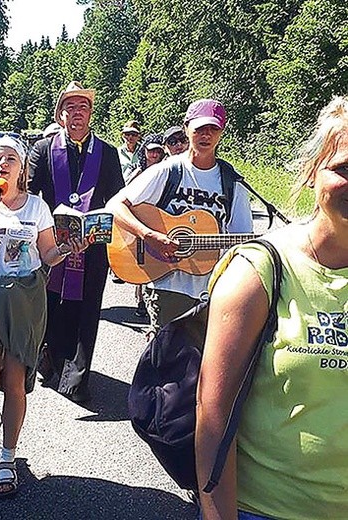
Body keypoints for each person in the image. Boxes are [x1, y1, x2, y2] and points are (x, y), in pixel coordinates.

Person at [196, 96, 348, 519]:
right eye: (345, 169)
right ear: (313, 170)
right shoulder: (260, 271)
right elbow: (213, 417)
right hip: (264, 510)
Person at [0, 134, 86, 498]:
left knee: (14, 383)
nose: (3, 165)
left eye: (11, 159)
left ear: (22, 168)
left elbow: (46, 255)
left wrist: (69, 247)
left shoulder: (37, 207)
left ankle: (8, 459)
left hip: (25, 299)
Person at [108, 99, 253, 331]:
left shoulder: (232, 182)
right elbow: (116, 206)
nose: (206, 135)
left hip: (215, 288)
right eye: (199, 129)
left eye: (213, 129)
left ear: (222, 132)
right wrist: (149, 235)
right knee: (167, 362)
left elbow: (243, 238)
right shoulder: (169, 171)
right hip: (167, 288)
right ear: (187, 129)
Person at [29, 81, 125, 402]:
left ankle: (77, 378)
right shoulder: (43, 151)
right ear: (60, 114)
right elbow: (30, 197)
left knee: (86, 312)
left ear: (90, 113)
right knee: (52, 308)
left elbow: (117, 201)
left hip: (93, 250)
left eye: (83, 107)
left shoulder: (108, 153)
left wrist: (99, 229)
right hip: (52, 248)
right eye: (70, 108)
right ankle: (50, 358)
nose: (77, 113)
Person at [118, 120, 142, 184]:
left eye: (134, 134)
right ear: (123, 136)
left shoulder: (145, 152)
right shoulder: (116, 153)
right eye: (127, 134)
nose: (130, 137)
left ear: (139, 136)